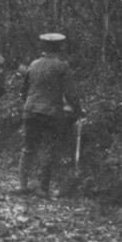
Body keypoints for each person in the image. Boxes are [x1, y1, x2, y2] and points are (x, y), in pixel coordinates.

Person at [19, 33, 82, 197]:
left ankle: (22, 185)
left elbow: (24, 91)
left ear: (43, 48)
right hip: (51, 113)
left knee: (28, 148)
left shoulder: (33, 64)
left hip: (30, 110)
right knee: (48, 148)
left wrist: (29, 105)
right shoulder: (62, 66)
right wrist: (79, 110)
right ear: (60, 48)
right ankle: (42, 189)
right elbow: (71, 93)